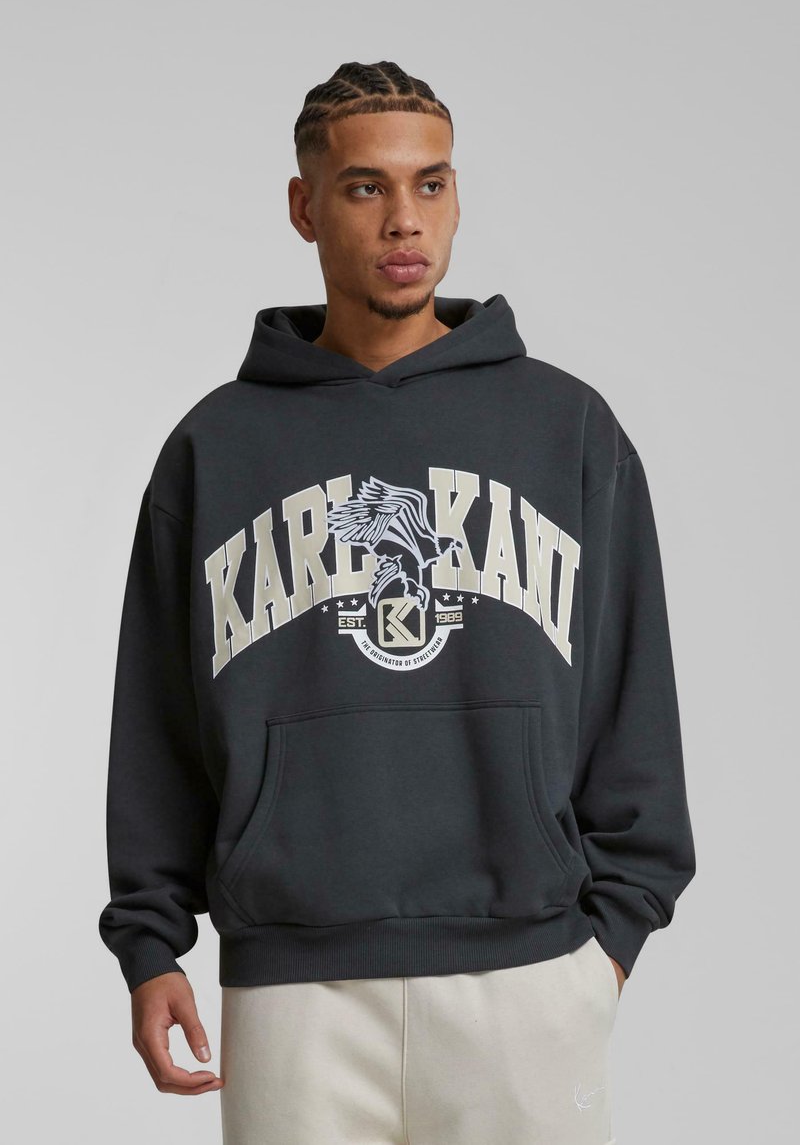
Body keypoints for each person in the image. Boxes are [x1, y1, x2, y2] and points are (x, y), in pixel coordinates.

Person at [98, 60, 696, 1144]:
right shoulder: (216, 446)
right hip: (293, 992)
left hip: (528, 980)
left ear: (457, 197)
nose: (404, 219)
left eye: (431, 183)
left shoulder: (566, 429)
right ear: (304, 206)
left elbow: (632, 698)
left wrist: (606, 946)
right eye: (365, 186)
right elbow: (156, 720)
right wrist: (151, 944)